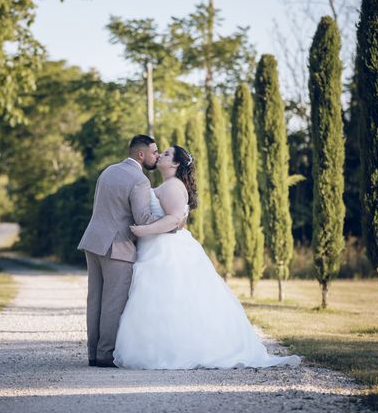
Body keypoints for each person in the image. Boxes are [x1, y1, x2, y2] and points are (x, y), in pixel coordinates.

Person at [113, 145, 301, 369]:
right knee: (164, 300)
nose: (160, 156)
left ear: (175, 164)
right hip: (158, 246)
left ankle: (172, 350)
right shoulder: (170, 184)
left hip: (166, 249)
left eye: (165, 154)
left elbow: (174, 221)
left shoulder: (173, 186)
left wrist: (142, 231)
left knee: (167, 298)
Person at [77, 135, 181, 367]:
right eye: (154, 152)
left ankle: (93, 354)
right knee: (113, 301)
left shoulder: (108, 171)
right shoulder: (139, 180)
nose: (156, 156)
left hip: (93, 242)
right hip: (118, 246)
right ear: (141, 155)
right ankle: (106, 354)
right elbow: (142, 218)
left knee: (95, 299)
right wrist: (172, 223)